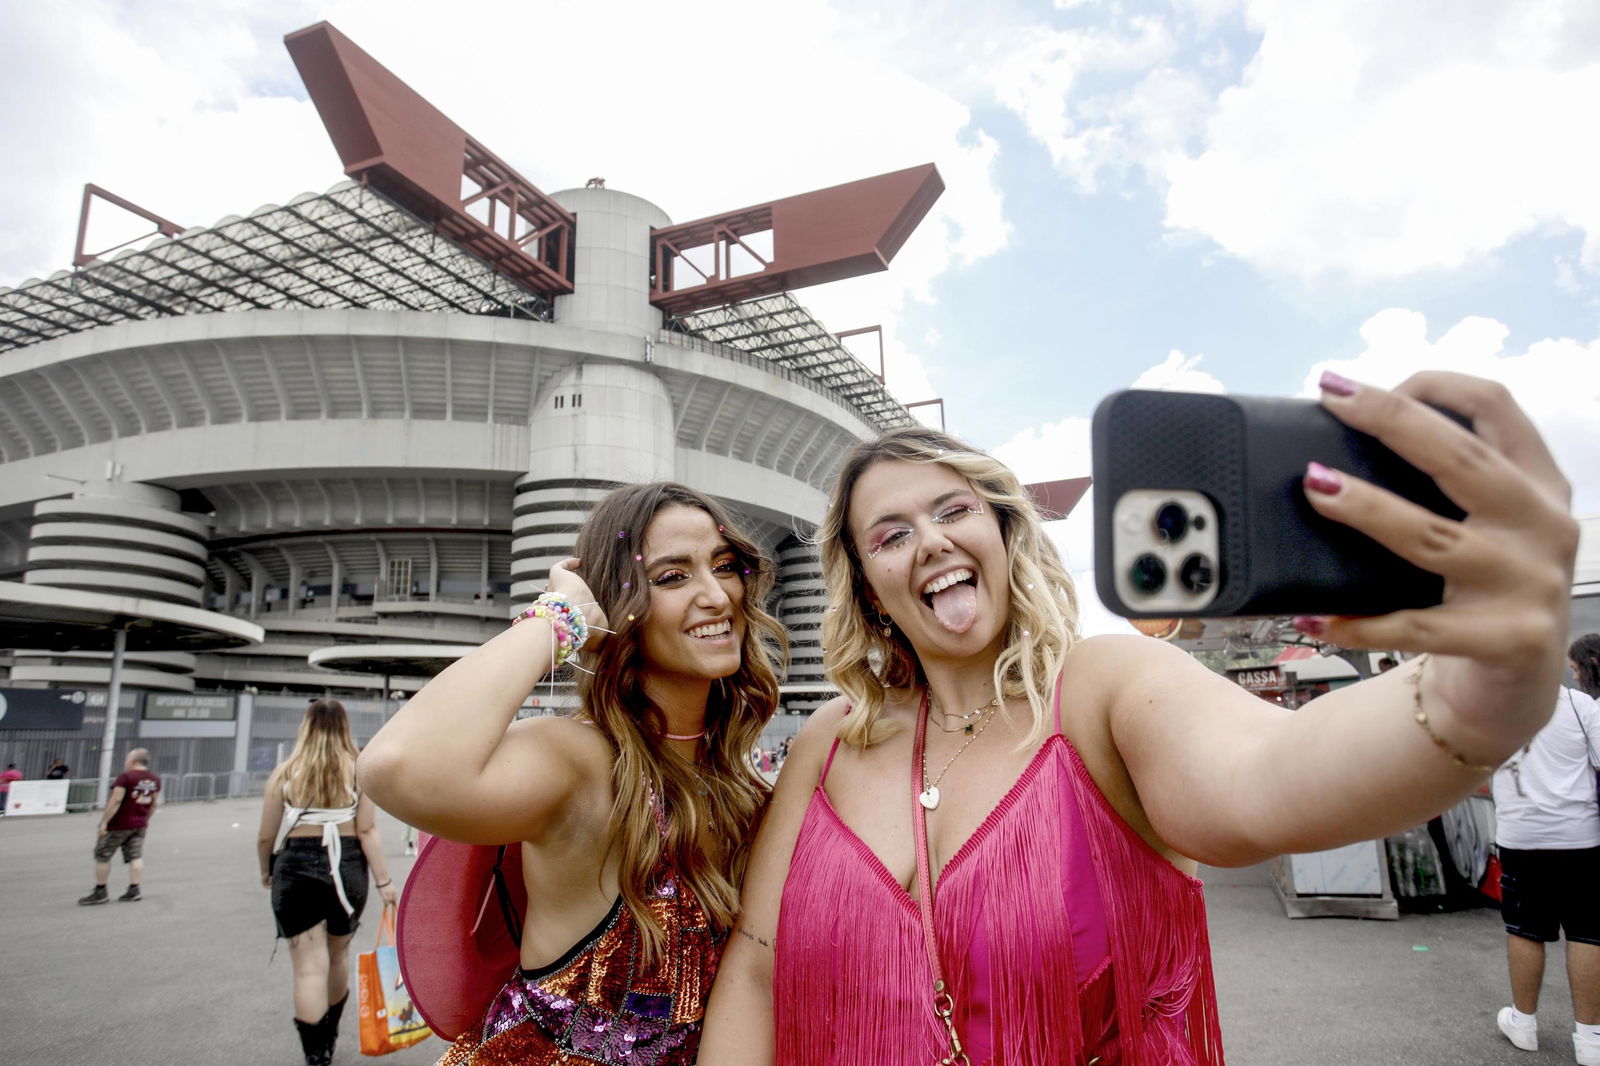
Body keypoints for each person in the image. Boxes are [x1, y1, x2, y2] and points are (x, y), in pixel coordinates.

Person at [700, 371, 1578, 1066]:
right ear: (870, 589)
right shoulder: (828, 742)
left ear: (1004, 535)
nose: (928, 541)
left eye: (953, 510)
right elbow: (756, 967)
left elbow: (1271, 780)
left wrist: (1477, 691)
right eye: (890, 535)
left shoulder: (1105, 687)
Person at [357, 481, 784, 1065]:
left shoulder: (744, 788)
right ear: (619, 606)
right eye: (671, 577)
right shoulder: (582, 759)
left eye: (724, 565)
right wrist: (561, 617)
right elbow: (396, 766)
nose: (716, 595)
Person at [257, 698, 398, 1066]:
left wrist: (265, 871)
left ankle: (315, 1054)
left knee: (307, 968)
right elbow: (367, 829)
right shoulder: (358, 771)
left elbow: (265, 836)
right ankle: (331, 1035)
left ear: (306, 727)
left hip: (294, 867)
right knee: (338, 956)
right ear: (345, 728)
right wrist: (384, 882)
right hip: (347, 867)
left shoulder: (286, 772)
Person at [1492, 634, 1600, 1063]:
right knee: (1588, 932)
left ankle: (1524, 1022)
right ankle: (1591, 1038)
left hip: (1521, 837)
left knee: (1524, 928)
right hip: (1581, 835)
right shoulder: (1580, 706)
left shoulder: (1490, 712)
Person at [79, 749, 159, 904]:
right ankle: (134, 888)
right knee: (136, 856)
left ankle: (101, 890)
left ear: (134, 760)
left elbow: (116, 800)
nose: (126, 762)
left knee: (103, 855)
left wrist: (104, 822)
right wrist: (145, 819)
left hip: (119, 824)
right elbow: (154, 803)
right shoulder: (154, 779)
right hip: (139, 824)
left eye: (127, 759)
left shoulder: (125, 777)